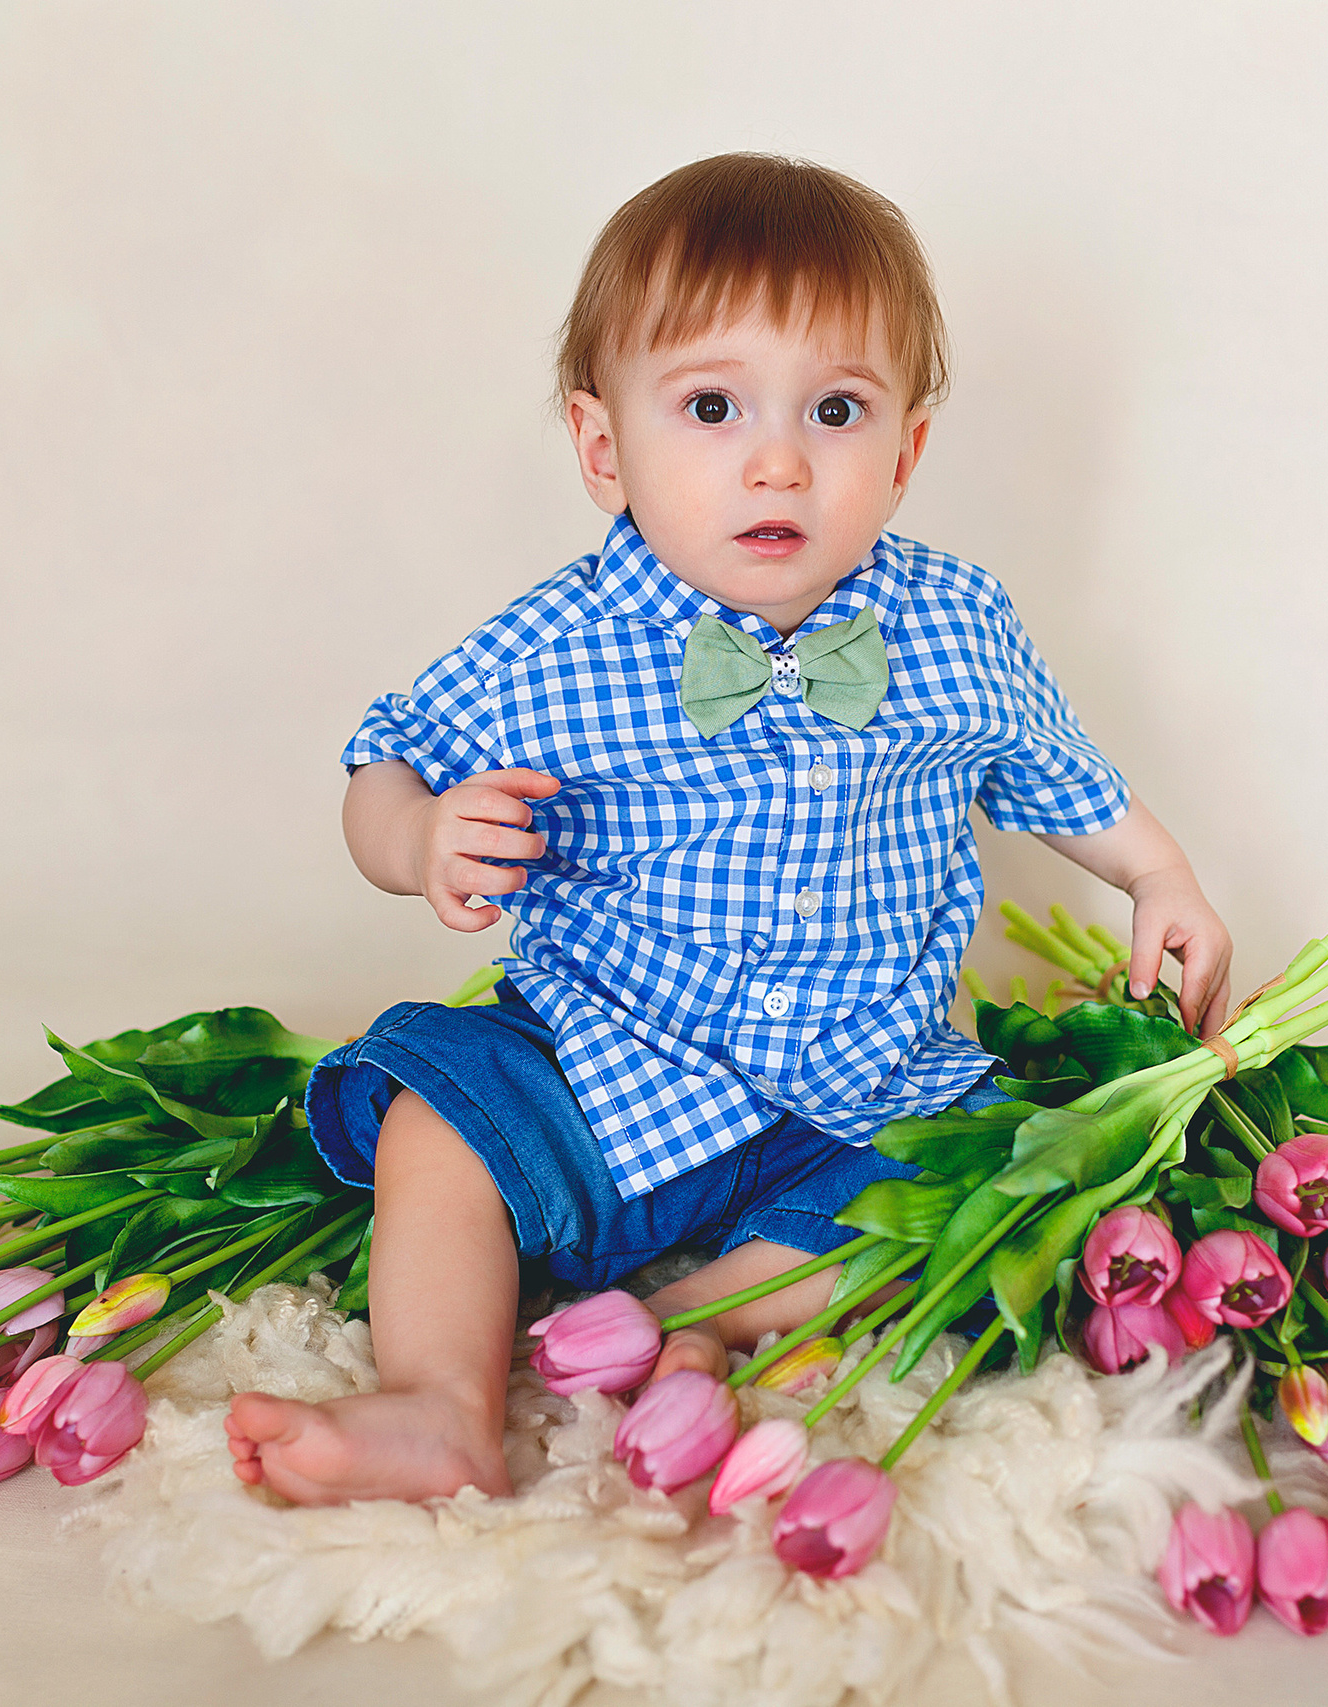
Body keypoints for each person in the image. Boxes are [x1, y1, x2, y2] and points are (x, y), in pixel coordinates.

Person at [226, 154, 1232, 1505]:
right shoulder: (554, 645)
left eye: (835, 410)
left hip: (862, 1082)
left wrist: (1159, 877)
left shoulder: (949, 625)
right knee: (434, 1108)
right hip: (603, 1064)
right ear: (605, 449)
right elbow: (383, 766)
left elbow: (1054, 770)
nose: (777, 459)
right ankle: (437, 1402)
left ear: (906, 452)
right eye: (710, 406)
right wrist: (418, 843)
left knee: (996, 1164)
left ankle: (711, 1318)